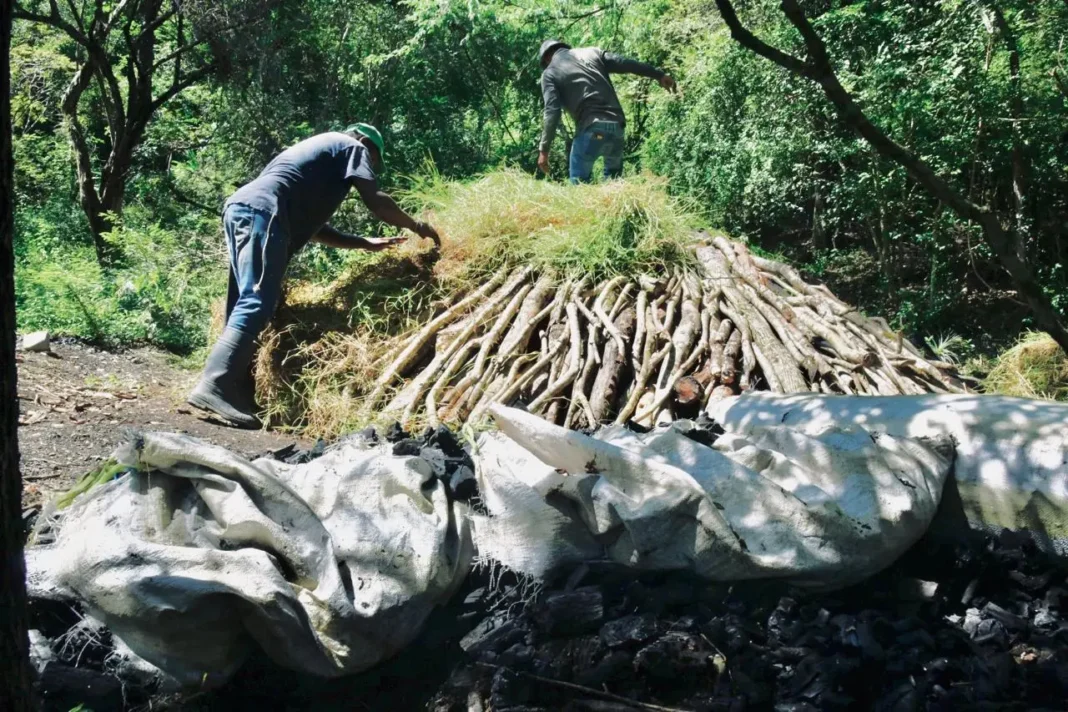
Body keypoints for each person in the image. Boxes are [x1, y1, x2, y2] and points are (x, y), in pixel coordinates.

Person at [188, 124, 441, 428]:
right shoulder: (352, 147)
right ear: (364, 142)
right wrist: (416, 226)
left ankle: (233, 392)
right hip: (264, 212)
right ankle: (213, 386)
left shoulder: (318, 160)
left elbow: (317, 229)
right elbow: (376, 201)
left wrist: (362, 243)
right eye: (373, 160)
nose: (370, 167)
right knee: (257, 302)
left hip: (245, 208)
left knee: (243, 304)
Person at [536, 40, 676, 184]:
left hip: (592, 130)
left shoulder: (550, 73)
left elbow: (552, 112)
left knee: (579, 183)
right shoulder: (592, 52)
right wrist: (658, 75)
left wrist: (544, 150)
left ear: (547, 58)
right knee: (613, 185)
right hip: (617, 127)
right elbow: (625, 63)